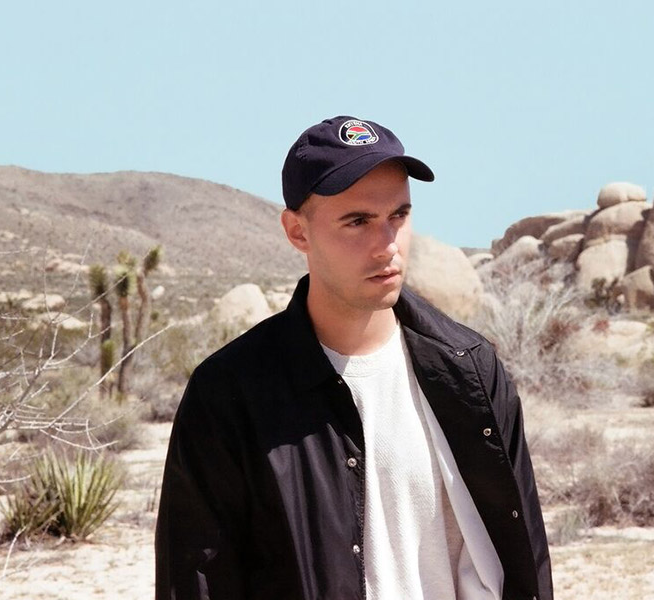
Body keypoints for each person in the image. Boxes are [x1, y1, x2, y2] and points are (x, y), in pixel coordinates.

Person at [155, 116, 552, 600]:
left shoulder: (470, 368)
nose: (387, 246)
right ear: (297, 231)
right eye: (358, 221)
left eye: (398, 216)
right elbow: (195, 581)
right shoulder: (229, 394)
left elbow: (525, 553)